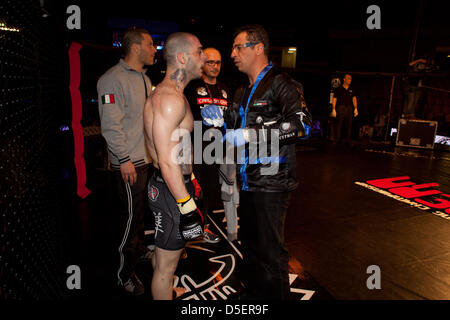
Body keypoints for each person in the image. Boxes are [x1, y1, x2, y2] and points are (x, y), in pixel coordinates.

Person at [201, 24, 308, 299]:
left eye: (239, 47)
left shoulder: (281, 83)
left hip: (273, 183)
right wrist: (220, 120)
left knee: (271, 252)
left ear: (258, 48)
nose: (233, 53)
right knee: (249, 246)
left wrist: (251, 133)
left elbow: (303, 125)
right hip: (248, 181)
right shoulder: (242, 91)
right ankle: (255, 296)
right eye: (233, 48)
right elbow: (234, 129)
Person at [143, 32, 206, 300]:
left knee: (168, 256)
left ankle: (166, 291)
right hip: (171, 192)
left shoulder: (174, 94)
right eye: (199, 52)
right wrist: (186, 205)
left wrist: (190, 179)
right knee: (166, 268)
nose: (204, 58)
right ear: (182, 57)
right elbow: (167, 160)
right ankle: (163, 290)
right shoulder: (169, 99)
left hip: (175, 187)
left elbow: (178, 149)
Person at [97, 27, 156, 295]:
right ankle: (123, 274)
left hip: (144, 160)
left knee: (140, 216)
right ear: (136, 47)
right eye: (151, 44)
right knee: (130, 220)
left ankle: (139, 251)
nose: (155, 49)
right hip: (129, 163)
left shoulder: (143, 78)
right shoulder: (111, 80)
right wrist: (124, 160)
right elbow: (111, 126)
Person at [185, 47, 235, 242]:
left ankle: (203, 226)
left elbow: (230, 120)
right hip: (196, 149)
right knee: (192, 191)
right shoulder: (191, 87)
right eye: (210, 62)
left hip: (218, 151)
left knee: (211, 191)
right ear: (202, 63)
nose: (215, 66)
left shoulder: (225, 89)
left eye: (218, 62)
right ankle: (188, 229)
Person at [331, 74, 358, 143]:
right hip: (341, 107)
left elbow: (354, 99)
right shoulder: (339, 89)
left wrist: (355, 108)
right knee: (339, 124)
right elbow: (335, 99)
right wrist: (333, 109)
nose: (350, 80)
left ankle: (347, 139)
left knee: (349, 124)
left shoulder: (352, 89)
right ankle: (337, 139)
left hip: (349, 108)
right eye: (348, 78)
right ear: (344, 79)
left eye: (351, 79)